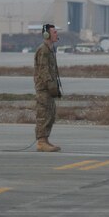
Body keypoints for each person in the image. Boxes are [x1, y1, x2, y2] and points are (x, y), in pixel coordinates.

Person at [34, 23, 63, 152]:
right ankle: (41, 142)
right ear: (47, 34)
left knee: (50, 114)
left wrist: (55, 87)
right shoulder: (43, 50)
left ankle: (45, 140)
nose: (56, 34)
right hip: (44, 89)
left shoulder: (50, 49)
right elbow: (44, 70)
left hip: (49, 88)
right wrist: (52, 87)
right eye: (54, 32)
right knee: (43, 114)